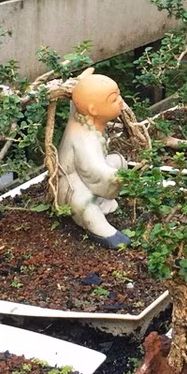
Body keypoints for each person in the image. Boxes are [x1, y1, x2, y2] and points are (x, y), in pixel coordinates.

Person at [56, 72, 130, 248]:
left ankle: (104, 201)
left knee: (118, 161)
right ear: (93, 110)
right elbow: (93, 170)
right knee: (84, 202)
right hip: (71, 184)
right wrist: (117, 178)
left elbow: (77, 102)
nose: (120, 101)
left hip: (88, 176)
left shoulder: (84, 117)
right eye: (113, 99)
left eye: (119, 94)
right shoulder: (83, 137)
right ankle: (104, 231)